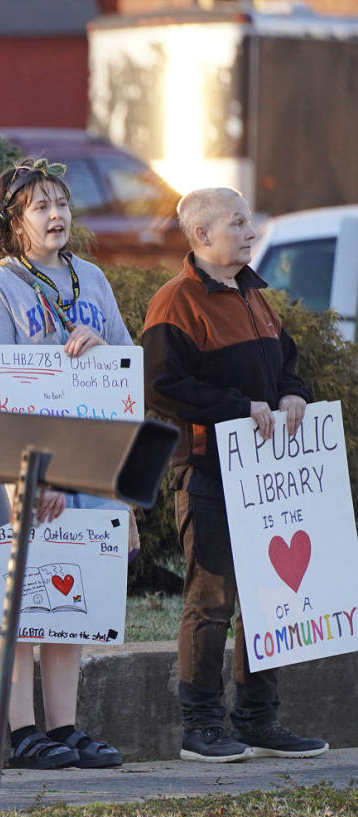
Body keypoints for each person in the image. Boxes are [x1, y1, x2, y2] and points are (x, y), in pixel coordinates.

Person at [0, 158, 129, 770]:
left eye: (62, 204)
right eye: (40, 207)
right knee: (21, 602)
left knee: (72, 597)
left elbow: (127, 373)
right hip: (25, 474)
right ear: (13, 222)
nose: (56, 216)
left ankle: (66, 726)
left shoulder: (94, 280)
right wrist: (24, 476)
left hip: (87, 469)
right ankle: (20, 729)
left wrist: (103, 348)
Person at [142, 187, 328, 763]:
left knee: (274, 597)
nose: (251, 232)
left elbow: (287, 365)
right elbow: (160, 386)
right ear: (202, 236)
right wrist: (237, 408)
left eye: (249, 222)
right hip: (208, 473)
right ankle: (201, 726)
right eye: (239, 222)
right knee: (212, 598)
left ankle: (257, 718)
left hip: (268, 474)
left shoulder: (256, 298)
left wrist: (293, 396)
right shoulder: (176, 303)